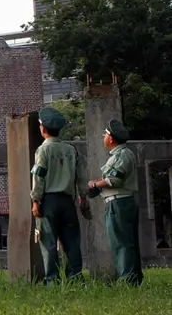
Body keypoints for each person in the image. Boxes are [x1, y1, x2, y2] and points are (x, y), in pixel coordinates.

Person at [30, 107, 90, 284]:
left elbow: (39, 176)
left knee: (48, 241)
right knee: (71, 240)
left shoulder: (43, 150)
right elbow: (81, 176)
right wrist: (83, 198)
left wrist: (35, 200)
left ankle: (52, 280)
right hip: (68, 201)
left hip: (49, 200)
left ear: (43, 128)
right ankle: (75, 278)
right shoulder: (71, 149)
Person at [88, 119, 143, 286]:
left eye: (105, 135)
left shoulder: (122, 155)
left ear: (111, 139)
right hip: (122, 202)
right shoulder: (121, 154)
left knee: (121, 243)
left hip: (119, 202)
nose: (103, 137)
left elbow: (115, 179)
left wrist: (94, 184)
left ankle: (127, 280)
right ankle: (133, 277)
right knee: (127, 241)